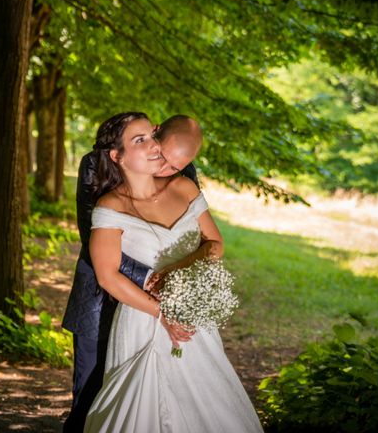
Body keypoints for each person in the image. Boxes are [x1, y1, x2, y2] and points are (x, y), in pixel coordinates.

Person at [83, 112, 262, 432]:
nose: (153, 147)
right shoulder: (110, 208)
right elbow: (107, 276)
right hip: (144, 319)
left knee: (207, 398)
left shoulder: (184, 188)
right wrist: (162, 311)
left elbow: (215, 243)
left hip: (194, 316)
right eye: (140, 141)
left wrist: (179, 274)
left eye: (151, 137)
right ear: (117, 156)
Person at [62, 114, 202, 432]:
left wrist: (176, 280)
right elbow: (91, 232)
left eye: (173, 166)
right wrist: (150, 278)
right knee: (90, 394)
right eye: (161, 157)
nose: (164, 169)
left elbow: (190, 229)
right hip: (100, 299)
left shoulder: (184, 170)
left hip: (159, 301)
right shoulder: (93, 165)